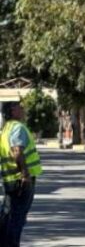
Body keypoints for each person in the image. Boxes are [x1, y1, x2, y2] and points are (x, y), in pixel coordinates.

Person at [0, 101, 42, 247]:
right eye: (20, 107)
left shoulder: (6, 128)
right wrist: (25, 174)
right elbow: (17, 151)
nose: (23, 109)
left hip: (10, 180)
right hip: (21, 181)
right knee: (17, 218)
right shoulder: (18, 127)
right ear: (12, 110)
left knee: (8, 217)